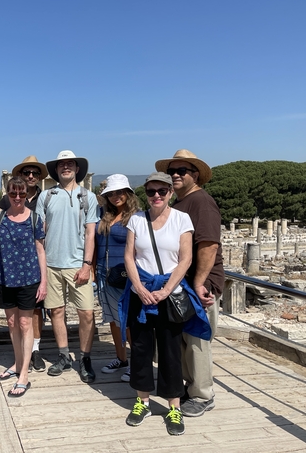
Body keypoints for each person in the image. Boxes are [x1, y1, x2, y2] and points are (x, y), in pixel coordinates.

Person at [121, 172, 209, 436]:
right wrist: (138, 287)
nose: (156, 196)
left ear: (170, 193)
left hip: (169, 293)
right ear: (145, 194)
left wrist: (166, 290)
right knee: (140, 348)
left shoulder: (182, 219)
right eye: (151, 192)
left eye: (162, 191)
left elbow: (185, 259)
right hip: (142, 291)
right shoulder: (136, 219)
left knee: (171, 350)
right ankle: (143, 401)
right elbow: (129, 256)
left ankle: (173, 406)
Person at [155, 149, 225, 417]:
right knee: (183, 340)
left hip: (199, 285)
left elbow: (208, 245)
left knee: (197, 340)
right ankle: (191, 386)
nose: (175, 175)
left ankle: (202, 394)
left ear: (195, 175)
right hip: (181, 284)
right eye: (172, 171)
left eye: (181, 171)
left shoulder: (201, 202)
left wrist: (199, 283)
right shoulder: (181, 203)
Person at [36, 150, 100, 383]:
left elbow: (90, 233)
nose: (66, 167)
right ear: (57, 169)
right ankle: (63, 355)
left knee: (86, 313)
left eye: (70, 163)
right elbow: (39, 233)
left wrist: (87, 265)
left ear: (77, 168)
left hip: (77, 264)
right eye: (62, 164)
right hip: (52, 264)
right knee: (56, 311)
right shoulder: (47, 196)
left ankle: (85, 357)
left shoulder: (88, 197)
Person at [0, 177, 47, 397]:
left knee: (25, 323)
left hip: (29, 279)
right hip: (5, 278)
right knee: (12, 322)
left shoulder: (35, 219)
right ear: (8, 193)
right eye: (13, 194)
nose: (18, 198)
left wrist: (44, 281)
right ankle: (17, 362)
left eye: (22, 194)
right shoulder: (0, 218)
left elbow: (41, 251)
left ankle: (24, 374)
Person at [0, 155, 48, 371]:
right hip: (12, 269)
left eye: (34, 173)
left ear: (39, 177)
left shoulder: (45, 197)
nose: (30, 176)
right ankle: (23, 358)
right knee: (18, 318)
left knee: (36, 311)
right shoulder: (6, 202)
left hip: (35, 263)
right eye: (27, 172)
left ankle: (35, 350)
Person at [94, 174, 139, 381]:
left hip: (124, 274)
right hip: (104, 273)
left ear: (128, 193)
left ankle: (137, 362)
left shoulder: (137, 217)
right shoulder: (105, 215)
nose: (115, 196)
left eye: (119, 192)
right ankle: (121, 359)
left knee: (127, 320)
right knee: (112, 319)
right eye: (111, 193)